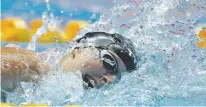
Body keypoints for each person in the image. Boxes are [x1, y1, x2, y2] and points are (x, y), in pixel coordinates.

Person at [1, 32, 140, 101]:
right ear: (78, 49)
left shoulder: (50, 84)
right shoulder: (25, 65)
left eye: (117, 77)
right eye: (110, 63)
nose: (109, 79)